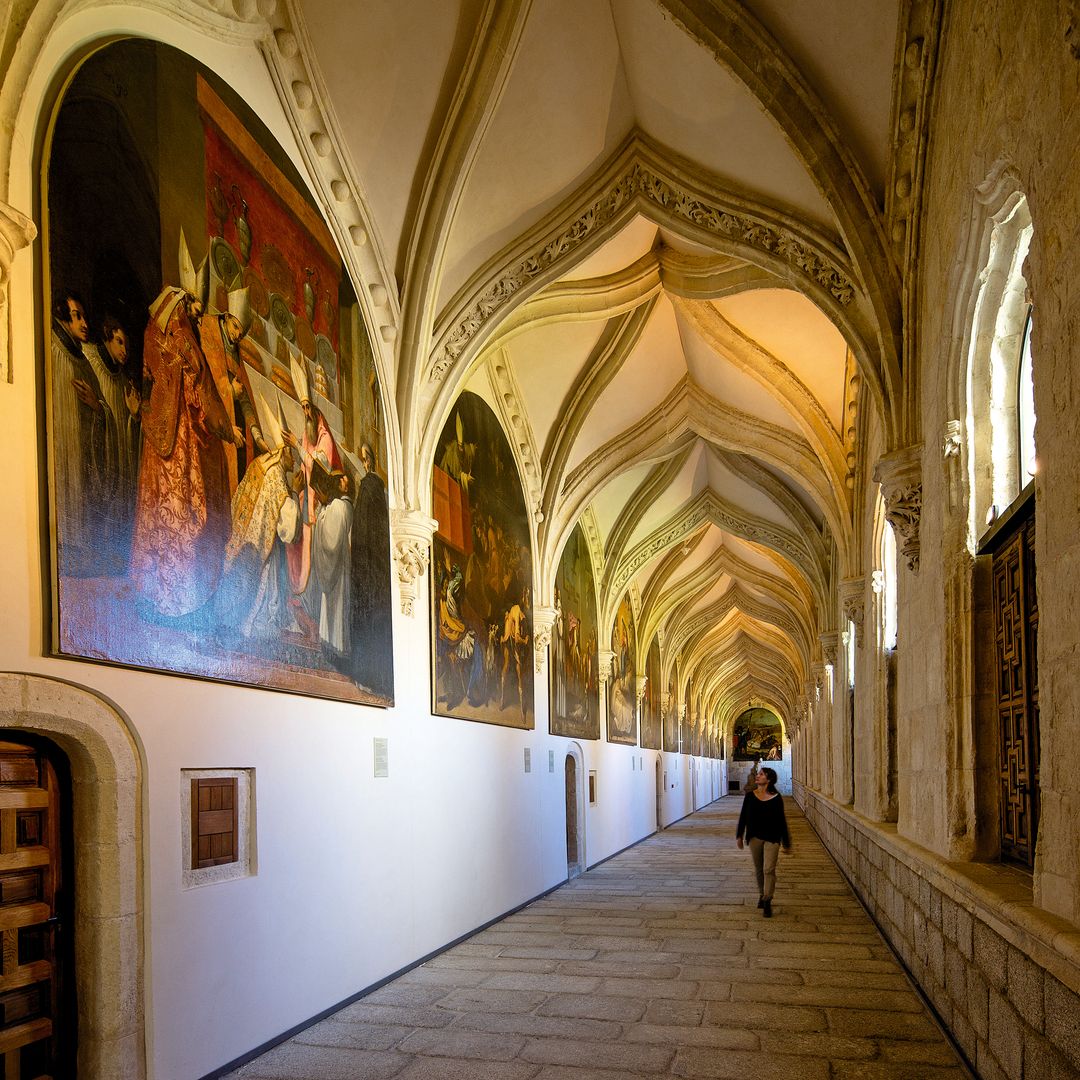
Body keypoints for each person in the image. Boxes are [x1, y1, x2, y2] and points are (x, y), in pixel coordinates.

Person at [130, 241, 237, 620]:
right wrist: (222, 428)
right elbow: (198, 394)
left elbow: (151, 378)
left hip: (159, 438)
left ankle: (155, 591)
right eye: (193, 308)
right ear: (184, 302)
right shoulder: (184, 339)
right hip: (182, 442)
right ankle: (182, 599)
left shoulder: (152, 334)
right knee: (186, 513)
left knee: (159, 513)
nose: (196, 315)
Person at [50, 290, 118, 576]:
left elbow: (104, 410)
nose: (83, 323)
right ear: (63, 319)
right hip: (64, 452)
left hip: (84, 455)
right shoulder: (53, 351)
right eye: (76, 316)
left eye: (83, 316)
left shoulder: (86, 365)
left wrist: (97, 405)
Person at [735, 766, 792, 918]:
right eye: (758, 774)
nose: (757, 776)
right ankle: (762, 894)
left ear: (769, 779)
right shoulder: (750, 796)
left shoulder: (776, 797)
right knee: (759, 869)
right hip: (755, 838)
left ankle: (767, 899)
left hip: (772, 838)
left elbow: (781, 820)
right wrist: (739, 835)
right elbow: (743, 817)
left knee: (769, 869)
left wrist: (786, 841)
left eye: (761, 774)